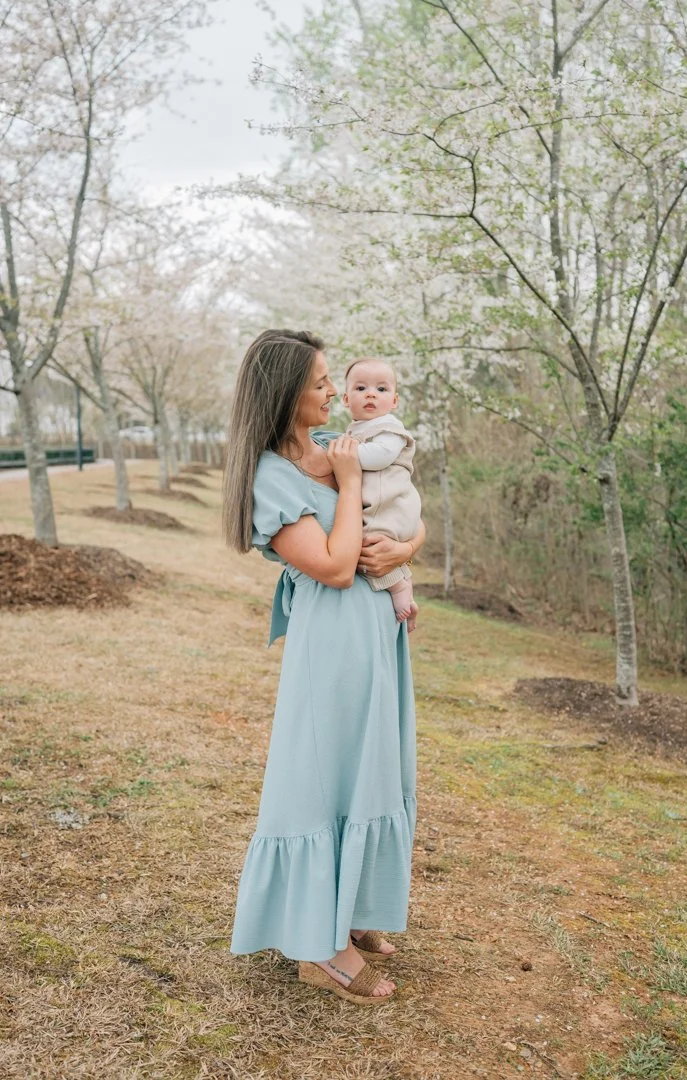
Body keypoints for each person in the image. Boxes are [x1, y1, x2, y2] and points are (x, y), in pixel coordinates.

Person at [223, 329, 425, 1005]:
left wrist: (409, 547)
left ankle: (354, 904)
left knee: (372, 767)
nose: (335, 392)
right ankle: (322, 948)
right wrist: (344, 484)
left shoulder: (331, 451)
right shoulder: (272, 476)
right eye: (319, 383)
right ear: (285, 393)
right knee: (327, 773)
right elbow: (337, 567)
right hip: (333, 642)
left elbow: (400, 513)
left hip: (374, 634)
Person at [344, 357, 421, 631]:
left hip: (388, 507)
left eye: (381, 389)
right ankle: (401, 581)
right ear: (345, 399)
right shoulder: (357, 430)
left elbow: (378, 457)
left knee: (368, 544)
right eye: (361, 388)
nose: (371, 394)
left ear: (395, 401)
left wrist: (342, 457)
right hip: (380, 504)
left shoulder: (390, 428)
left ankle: (399, 585)